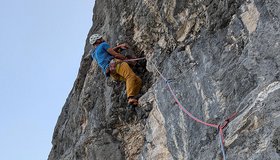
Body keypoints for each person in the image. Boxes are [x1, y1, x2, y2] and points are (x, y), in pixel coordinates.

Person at [89, 34, 142, 105]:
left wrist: (119, 47)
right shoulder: (103, 45)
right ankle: (130, 97)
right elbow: (115, 54)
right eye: (100, 38)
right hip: (115, 64)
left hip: (111, 73)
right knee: (130, 76)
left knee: (137, 79)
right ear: (97, 41)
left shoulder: (94, 54)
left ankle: (134, 97)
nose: (102, 38)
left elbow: (106, 53)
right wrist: (126, 59)